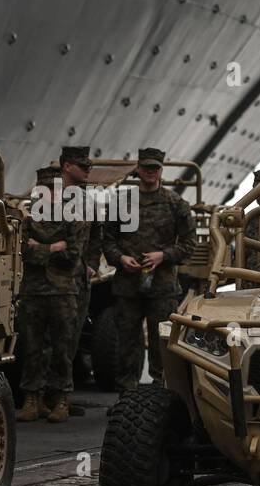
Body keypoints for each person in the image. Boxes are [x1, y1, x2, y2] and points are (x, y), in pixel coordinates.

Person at [102, 147, 195, 391]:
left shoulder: (176, 204)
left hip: (162, 288)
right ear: (138, 169)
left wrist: (163, 256)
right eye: (146, 168)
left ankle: (161, 394)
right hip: (127, 287)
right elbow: (107, 241)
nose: (150, 172)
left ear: (161, 170)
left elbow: (189, 245)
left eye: (155, 168)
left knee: (161, 343)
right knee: (127, 343)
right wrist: (121, 258)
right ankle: (127, 395)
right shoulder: (122, 202)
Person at [18, 166, 87, 423]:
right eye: (45, 188)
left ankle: (61, 399)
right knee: (32, 347)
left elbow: (72, 257)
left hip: (63, 292)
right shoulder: (27, 221)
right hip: (34, 292)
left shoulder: (75, 220)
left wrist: (40, 247)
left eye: (54, 188)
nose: (50, 193)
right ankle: (32, 399)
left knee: (62, 348)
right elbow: (23, 253)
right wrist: (55, 247)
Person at [60, 144, 101, 414]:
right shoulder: (49, 197)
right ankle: (40, 397)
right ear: (67, 166)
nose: (87, 170)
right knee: (47, 340)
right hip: (52, 278)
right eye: (82, 165)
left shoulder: (89, 201)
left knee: (71, 339)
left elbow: (97, 235)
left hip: (78, 280)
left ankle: (62, 397)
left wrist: (92, 265)